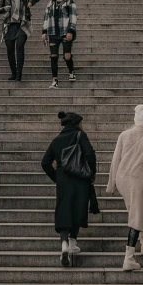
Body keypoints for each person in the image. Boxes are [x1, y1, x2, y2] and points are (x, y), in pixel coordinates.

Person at [106, 104, 143, 271]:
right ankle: (129, 257)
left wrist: (112, 183)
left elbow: (115, 159)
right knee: (137, 216)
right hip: (140, 179)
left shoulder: (124, 135)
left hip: (123, 178)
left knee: (135, 212)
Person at [41, 111, 96, 267]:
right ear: (77, 123)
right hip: (80, 178)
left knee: (64, 208)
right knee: (78, 207)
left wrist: (56, 177)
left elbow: (45, 163)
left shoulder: (56, 140)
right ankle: (73, 242)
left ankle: (64, 243)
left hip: (63, 180)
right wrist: (91, 173)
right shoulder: (80, 135)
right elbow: (90, 154)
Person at [0, 0, 41, 83]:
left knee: (19, 47)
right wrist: (4, 9)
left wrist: (31, 2)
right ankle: (13, 72)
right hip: (9, 24)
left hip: (22, 24)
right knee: (10, 50)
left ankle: (19, 74)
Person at [42, 0, 78, 89]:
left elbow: (73, 18)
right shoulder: (51, 2)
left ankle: (71, 71)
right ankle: (55, 80)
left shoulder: (69, 2)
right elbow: (46, 18)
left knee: (67, 56)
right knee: (54, 56)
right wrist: (44, 32)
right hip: (53, 32)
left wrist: (71, 31)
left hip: (65, 32)